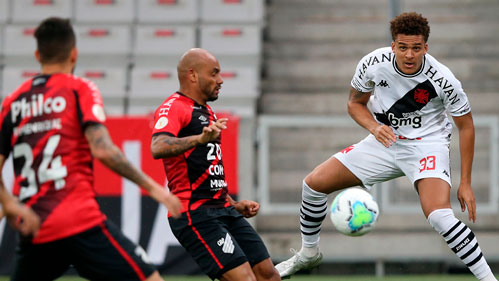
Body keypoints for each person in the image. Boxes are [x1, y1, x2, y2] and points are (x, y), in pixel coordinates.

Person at [275, 12, 497, 281]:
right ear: (393, 46)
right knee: (312, 184)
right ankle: (309, 253)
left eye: (416, 48)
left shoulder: (443, 79)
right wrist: (374, 127)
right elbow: (354, 103)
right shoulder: (373, 63)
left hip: (427, 146)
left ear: (426, 47)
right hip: (383, 141)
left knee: (440, 216)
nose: (409, 55)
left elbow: (466, 126)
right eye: (402, 47)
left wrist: (465, 182)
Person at [0, 17, 182, 281]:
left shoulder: (13, 101)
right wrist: (154, 188)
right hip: (79, 222)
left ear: (37, 54)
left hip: (35, 227)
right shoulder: (79, 89)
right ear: (74, 54)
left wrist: (11, 206)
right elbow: (103, 150)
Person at [150, 48, 281, 281]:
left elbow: (207, 172)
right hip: (195, 214)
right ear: (192, 75)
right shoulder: (174, 107)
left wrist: (234, 204)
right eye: (214, 73)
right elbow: (158, 146)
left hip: (223, 209)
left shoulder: (205, 110)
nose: (220, 80)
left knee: (268, 274)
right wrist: (199, 139)